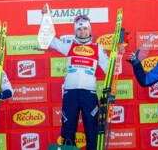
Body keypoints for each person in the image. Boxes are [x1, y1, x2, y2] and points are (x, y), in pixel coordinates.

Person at [44, 10, 109, 150]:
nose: (82, 32)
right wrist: (46, 18)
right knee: (68, 130)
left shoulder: (98, 48)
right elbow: (48, 38)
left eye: (85, 28)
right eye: (79, 29)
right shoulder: (69, 45)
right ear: (75, 31)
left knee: (92, 130)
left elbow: (112, 70)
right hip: (71, 93)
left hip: (89, 94)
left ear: (90, 29)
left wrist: (118, 55)